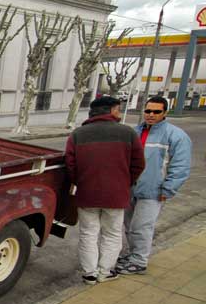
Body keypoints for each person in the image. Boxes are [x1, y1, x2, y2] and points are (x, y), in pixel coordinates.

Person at [65, 96, 145, 285]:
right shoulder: (128, 133)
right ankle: (105, 271)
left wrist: (81, 181)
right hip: (116, 195)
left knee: (88, 233)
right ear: (112, 110)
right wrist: (125, 182)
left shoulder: (78, 134)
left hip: (87, 193)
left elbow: (70, 164)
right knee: (112, 233)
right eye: (118, 109)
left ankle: (89, 273)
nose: (119, 112)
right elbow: (139, 164)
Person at [117, 96, 192, 275]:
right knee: (129, 226)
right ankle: (132, 254)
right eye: (148, 111)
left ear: (165, 113)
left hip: (153, 191)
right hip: (131, 188)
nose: (151, 115)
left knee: (142, 227)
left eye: (156, 111)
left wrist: (168, 189)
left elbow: (180, 165)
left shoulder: (176, 136)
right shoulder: (135, 132)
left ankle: (139, 261)